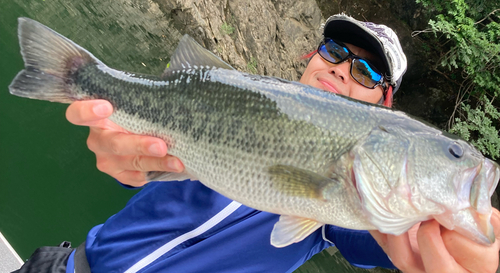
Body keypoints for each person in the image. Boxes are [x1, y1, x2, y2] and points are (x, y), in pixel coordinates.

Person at [19, 14, 500, 273]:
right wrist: (125, 158)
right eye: (334, 51)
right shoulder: (233, 97)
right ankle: (75, 75)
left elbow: (390, 241)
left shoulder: (344, 217)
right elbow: (142, 164)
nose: (339, 68)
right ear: (311, 56)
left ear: (386, 111)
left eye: (367, 72)